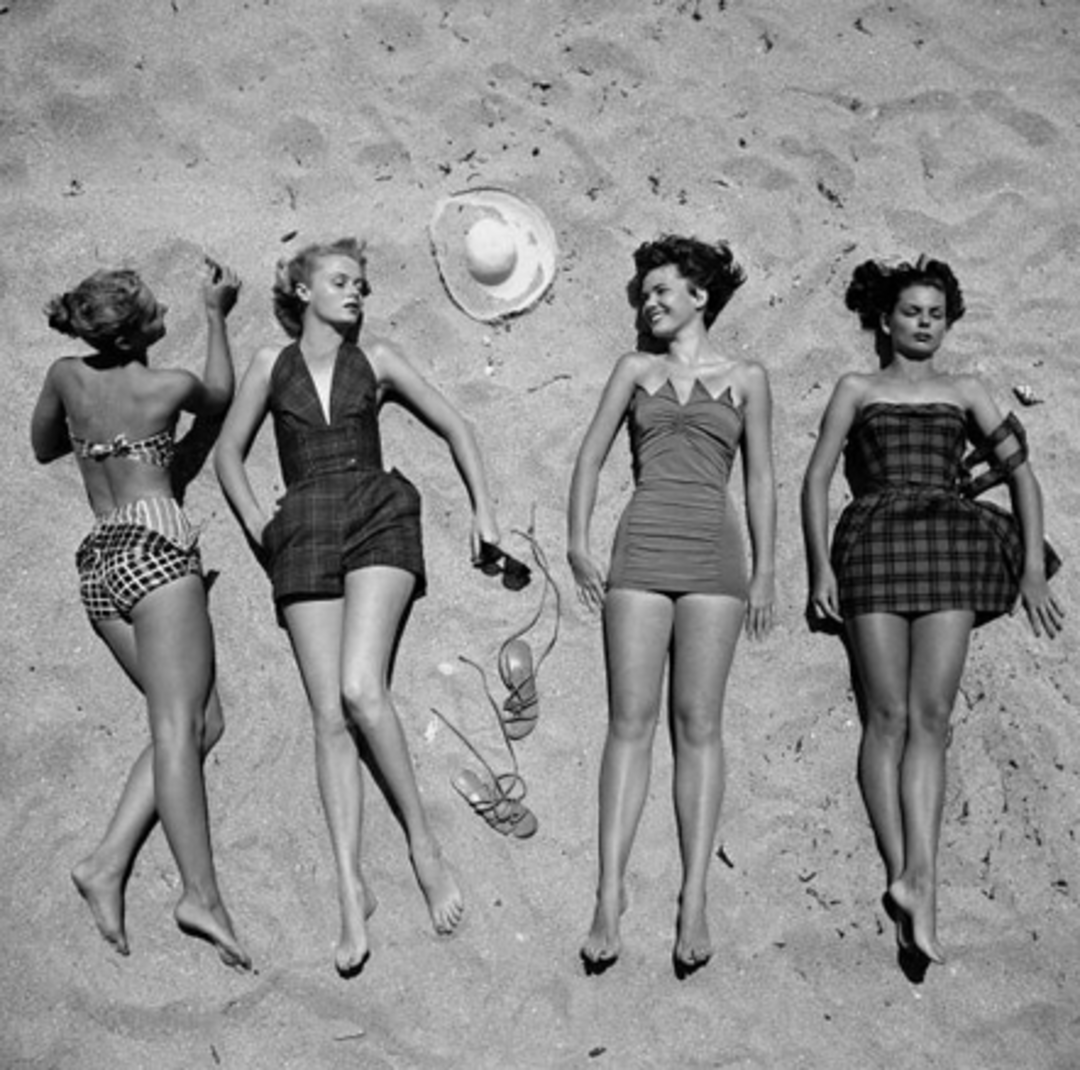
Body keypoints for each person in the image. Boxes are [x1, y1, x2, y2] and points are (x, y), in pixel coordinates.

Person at [214, 237, 500, 976]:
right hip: (302, 523)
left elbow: (457, 425)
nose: (356, 293)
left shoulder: (379, 358)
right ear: (302, 291)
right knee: (327, 714)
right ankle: (350, 885)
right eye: (342, 281)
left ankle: (422, 845)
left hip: (377, 510)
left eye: (362, 286)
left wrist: (484, 511)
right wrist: (261, 526)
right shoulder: (268, 365)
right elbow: (227, 454)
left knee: (361, 690)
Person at [801, 255, 1065, 966]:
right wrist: (820, 566)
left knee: (932, 717)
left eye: (936, 314)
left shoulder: (966, 389)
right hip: (873, 542)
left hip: (949, 544)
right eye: (912, 312)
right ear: (886, 321)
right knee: (885, 715)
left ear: (947, 324)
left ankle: (924, 878)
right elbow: (818, 477)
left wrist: (1031, 568)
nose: (924, 323)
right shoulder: (857, 387)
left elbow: (1023, 478)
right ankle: (904, 873)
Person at [30, 259, 250, 970]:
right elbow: (219, 397)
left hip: (99, 565)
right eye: (155, 312)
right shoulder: (167, 386)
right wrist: (215, 314)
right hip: (155, 554)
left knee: (201, 722)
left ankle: (106, 863)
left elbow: (44, 446)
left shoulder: (66, 375)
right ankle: (200, 895)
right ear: (131, 336)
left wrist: (100, 439)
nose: (164, 315)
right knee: (178, 729)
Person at [568, 235, 776, 975]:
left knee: (699, 725)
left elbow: (760, 479)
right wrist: (577, 543)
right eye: (644, 294)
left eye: (662, 291)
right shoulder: (635, 370)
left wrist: (768, 569)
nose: (650, 303)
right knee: (629, 722)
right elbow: (591, 457)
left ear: (700, 296)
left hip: (715, 552)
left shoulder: (747, 377)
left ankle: (694, 895)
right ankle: (609, 892)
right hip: (643, 545)